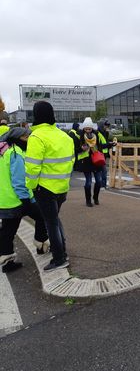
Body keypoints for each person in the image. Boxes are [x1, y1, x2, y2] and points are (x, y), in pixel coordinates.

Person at [25, 101, 74, 271]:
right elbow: (70, 162)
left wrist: (31, 186)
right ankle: (62, 251)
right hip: (62, 187)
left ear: (36, 115)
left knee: (51, 223)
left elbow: (32, 167)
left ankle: (59, 258)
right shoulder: (65, 136)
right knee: (54, 220)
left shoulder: (37, 137)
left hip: (44, 188)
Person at [0, 127, 50, 272]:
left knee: (8, 231)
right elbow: (19, 180)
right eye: (27, 137)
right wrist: (26, 200)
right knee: (41, 216)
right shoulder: (15, 153)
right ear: (19, 138)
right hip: (17, 199)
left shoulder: (4, 151)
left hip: (5, 199)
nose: (29, 140)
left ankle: (7, 261)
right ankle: (40, 244)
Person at [76, 117, 104, 207]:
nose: (88, 130)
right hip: (86, 162)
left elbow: (100, 147)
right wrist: (82, 148)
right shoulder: (80, 136)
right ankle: (88, 200)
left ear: (92, 128)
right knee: (88, 182)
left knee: (99, 181)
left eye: (89, 128)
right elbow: (75, 149)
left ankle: (96, 198)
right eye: (86, 128)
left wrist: (109, 145)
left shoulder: (96, 135)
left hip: (96, 161)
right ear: (84, 128)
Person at [97, 120, 116, 188]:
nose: (107, 127)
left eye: (107, 126)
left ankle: (102, 185)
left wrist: (110, 144)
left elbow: (106, 143)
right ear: (102, 125)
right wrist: (109, 144)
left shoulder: (105, 133)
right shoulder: (97, 133)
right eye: (106, 126)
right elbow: (99, 145)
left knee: (102, 171)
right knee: (102, 171)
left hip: (104, 154)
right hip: (99, 154)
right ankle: (102, 185)